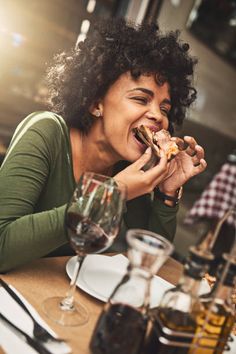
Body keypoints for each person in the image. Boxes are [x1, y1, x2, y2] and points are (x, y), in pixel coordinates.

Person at [0, 19, 207, 272]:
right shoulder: (46, 131)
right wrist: (113, 193)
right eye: (141, 98)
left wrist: (167, 192)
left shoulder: (128, 166)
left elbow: (148, 263)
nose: (158, 116)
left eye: (165, 108)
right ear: (96, 102)